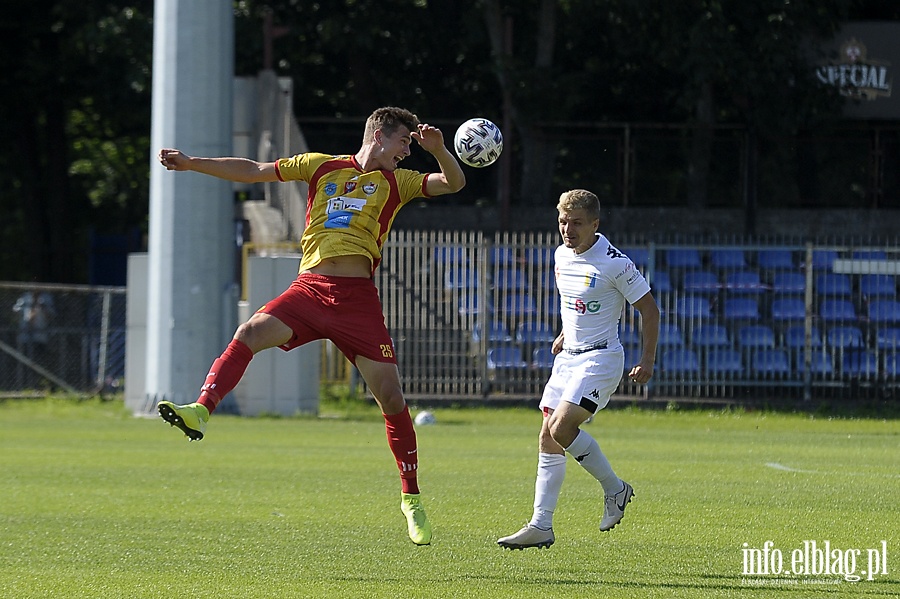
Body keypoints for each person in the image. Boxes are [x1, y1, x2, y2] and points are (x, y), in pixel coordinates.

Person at [155, 106, 466, 546]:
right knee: (248, 333)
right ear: (379, 135)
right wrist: (192, 163)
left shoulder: (400, 183)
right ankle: (201, 409)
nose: (406, 151)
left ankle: (410, 497)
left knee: (392, 398)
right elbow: (254, 170)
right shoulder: (321, 166)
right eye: (404, 142)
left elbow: (454, 183)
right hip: (310, 289)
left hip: (357, 301)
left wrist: (439, 151)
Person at [497, 189, 659, 550]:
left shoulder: (615, 263)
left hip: (601, 358)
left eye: (577, 224)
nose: (568, 230)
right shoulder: (560, 255)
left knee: (561, 425)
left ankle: (615, 488)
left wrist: (646, 360)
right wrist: (563, 334)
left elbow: (650, 310)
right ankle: (541, 525)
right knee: (547, 436)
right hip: (568, 356)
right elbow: (575, 304)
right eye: (563, 222)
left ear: (595, 225)